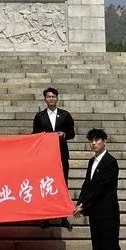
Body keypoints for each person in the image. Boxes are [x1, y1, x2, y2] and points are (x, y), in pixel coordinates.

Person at [74, 128, 124, 250]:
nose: (93, 143)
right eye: (91, 141)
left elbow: (101, 187)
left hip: (108, 214)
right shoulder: (91, 162)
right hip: (95, 214)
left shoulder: (110, 162)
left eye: (96, 140)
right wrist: (79, 202)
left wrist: (84, 204)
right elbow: (87, 185)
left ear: (104, 141)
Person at [32, 86, 76, 228]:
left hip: (61, 154)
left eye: (53, 96)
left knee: (62, 184)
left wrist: (64, 134)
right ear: (45, 99)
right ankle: (46, 218)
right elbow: (34, 134)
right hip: (46, 157)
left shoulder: (65, 115)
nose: (51, 99)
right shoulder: (40, 116)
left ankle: (64, 217)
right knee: (45, 185)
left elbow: (72, 133)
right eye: (49, 97)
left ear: (57, 98)